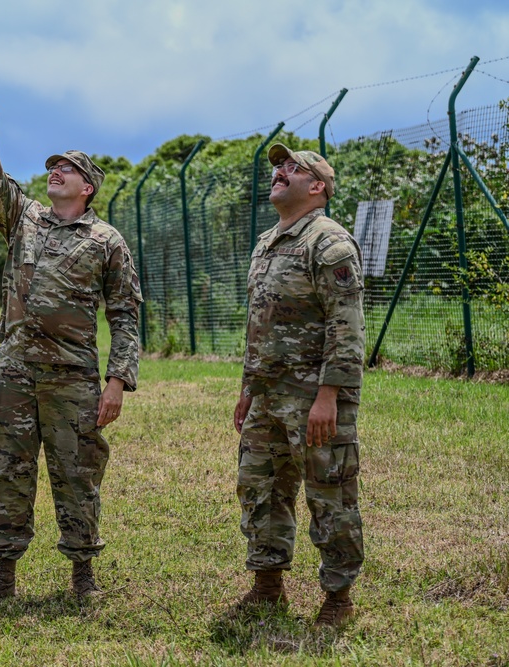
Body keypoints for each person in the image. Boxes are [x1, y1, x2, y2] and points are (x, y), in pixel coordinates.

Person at [0, 48, 142, 601]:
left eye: (71, 168)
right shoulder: (22, 217)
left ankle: (83, 577)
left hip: (72, 377)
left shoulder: (107, 242)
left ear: (88, 188)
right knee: (4, 470)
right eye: (54, 164)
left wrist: (117, 382)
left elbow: (126, 316)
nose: (56, 170)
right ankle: (2, 579)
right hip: (13, 372)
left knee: (77, 472)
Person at [232, 143, 366, 628]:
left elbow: (346, 327)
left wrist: (329, 395)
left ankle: (338, 599)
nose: (279, 172)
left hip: (315, 395)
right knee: (261, 489)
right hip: (268, 396)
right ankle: (268, 587)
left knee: (330, 493)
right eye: (276, 167)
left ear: (318, 187)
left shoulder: (329, 243)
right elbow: (258, 324)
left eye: (293, 167)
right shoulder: (267, 242)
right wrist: (248, 387)